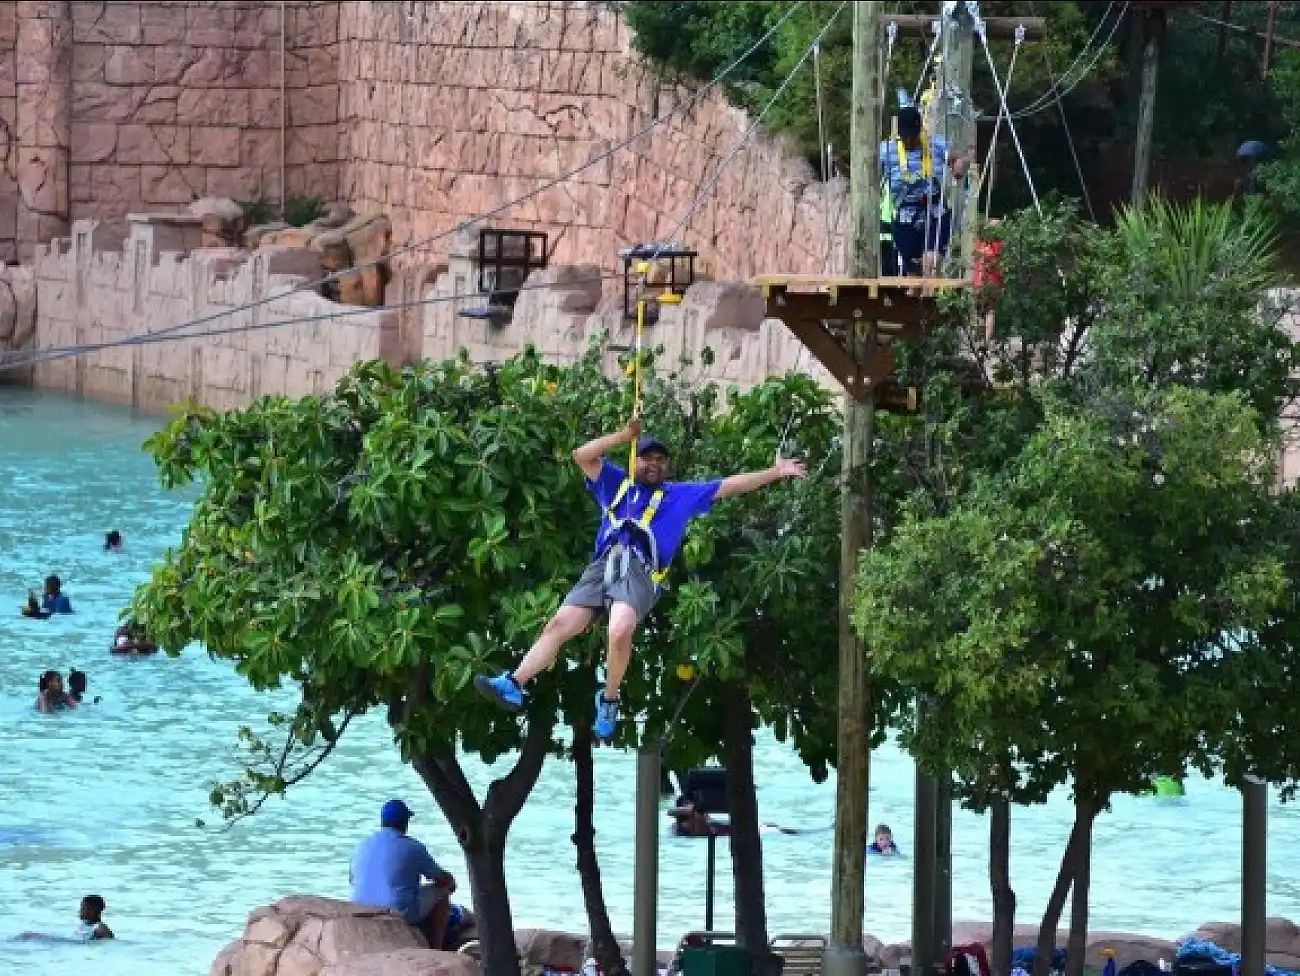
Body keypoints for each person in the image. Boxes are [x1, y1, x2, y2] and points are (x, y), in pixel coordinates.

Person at [474, 417, 807, 741]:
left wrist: (775, 472)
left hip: (640, 571)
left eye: (661, 460)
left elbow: (730, 485)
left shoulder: (679, 495)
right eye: (647, 457)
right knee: (558, 625)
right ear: (634, 460)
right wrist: (624, 434)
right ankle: (514, 683)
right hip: (603, 564)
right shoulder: (615, 483)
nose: (654, 464)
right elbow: (582, 455)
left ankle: (609, 700)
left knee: (619, 629)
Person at [350, 799, 456, 949]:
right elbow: (441, 880)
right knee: (443, 892)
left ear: (382, 821)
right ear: (405, 822)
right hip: (398, 913)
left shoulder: (362, 845)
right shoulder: (413, 847)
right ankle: (436, 948)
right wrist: (452, 882)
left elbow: (352, 880)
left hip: (361, 908)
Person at [881, 106, 968, 277]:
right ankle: (914, 296)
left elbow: (960, 157)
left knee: (931, 261)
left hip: (935, 211)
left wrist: (958, 165)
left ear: (919, 130)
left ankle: (933, 295)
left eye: (913, 136)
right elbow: (866, 176)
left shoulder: (937, 144)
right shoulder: (886, 151)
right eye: (905, 136)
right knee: (913, 270)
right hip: (906, 214)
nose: (909, 141)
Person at [973, 219, 1003, 342]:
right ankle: (986, 341)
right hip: (993, 282)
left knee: (980, 311)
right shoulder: (1000, 245)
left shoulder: (979, 243)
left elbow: (975, 258)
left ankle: (979, 339)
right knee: (990, 312)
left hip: (979, 282)